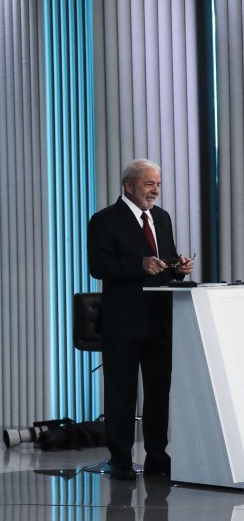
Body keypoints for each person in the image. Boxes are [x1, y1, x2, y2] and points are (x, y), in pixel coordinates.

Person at [87, 158, 194, 480]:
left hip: (159, 320)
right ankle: (120, 461)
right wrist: (139, 265)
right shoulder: (104, 220)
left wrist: (179, 266)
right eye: (150, 184)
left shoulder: (162, 218)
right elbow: (99, 266)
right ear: (129, 185)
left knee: (159, 393)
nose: (156, 191)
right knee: (122, 394)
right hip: (123, 322)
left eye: (158, 184)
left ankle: (157, 458)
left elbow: (165, 262)